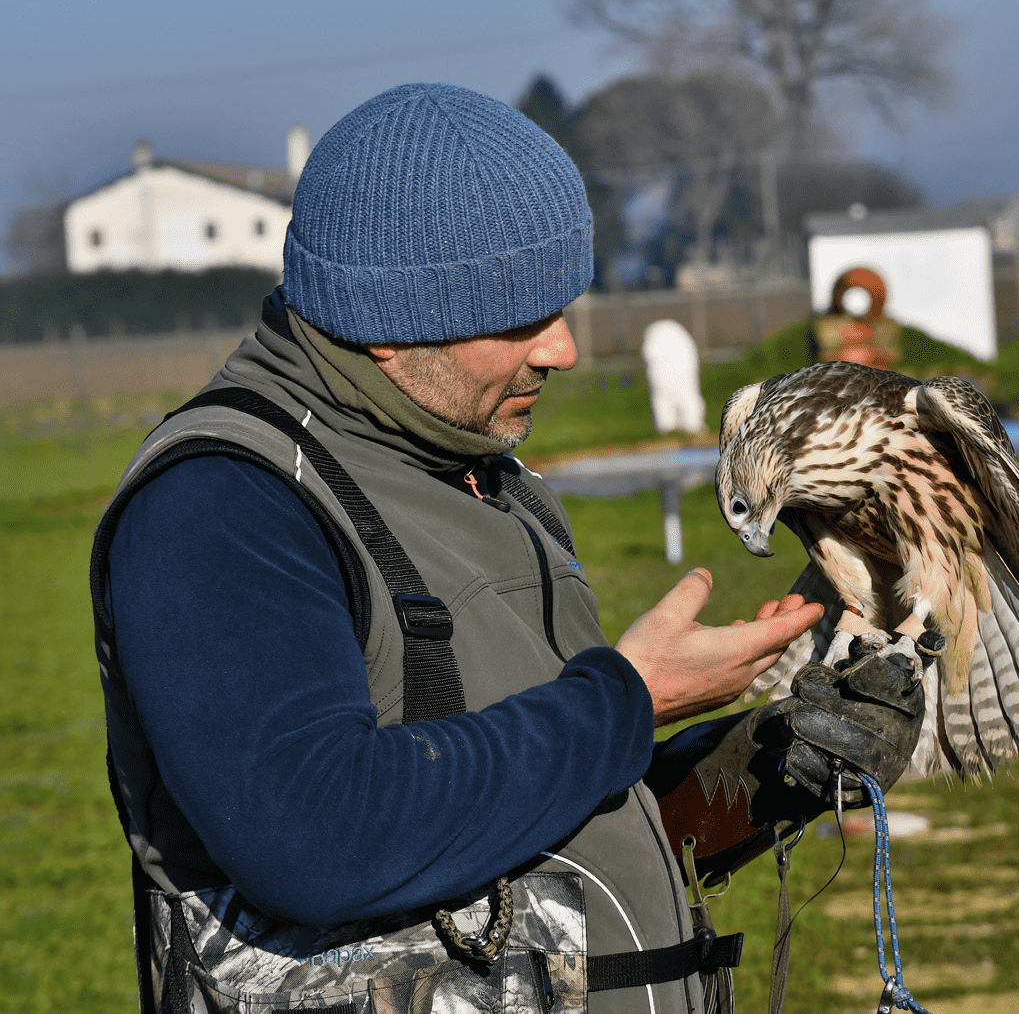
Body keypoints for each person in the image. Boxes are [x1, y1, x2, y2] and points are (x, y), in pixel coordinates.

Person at [90, 84, 927, 1014]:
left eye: (561, 306)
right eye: (518, 317)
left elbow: (531, 819)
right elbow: (316, 835)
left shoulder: (482, 476)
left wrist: (769, 768)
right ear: (390, 323)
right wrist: (628, 697)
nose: (562, 349)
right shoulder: (225, 503)